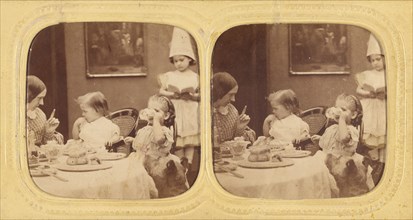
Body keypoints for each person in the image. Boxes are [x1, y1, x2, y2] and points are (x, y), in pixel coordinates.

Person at [158, 27, 200, 169]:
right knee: (178, 139)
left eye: (181, 60)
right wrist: (172, 94)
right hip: (176, 111)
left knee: (190, 140)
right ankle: (179, 165)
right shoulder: (170, 76)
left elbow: (201, 95)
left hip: (189, 112)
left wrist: (193, 95)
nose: (178, 64)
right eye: (175, 61)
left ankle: (188, 164)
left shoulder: (195, 77)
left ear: (189, 59)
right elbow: (161, 91)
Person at [355, 34, 386, 164]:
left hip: (384, 105)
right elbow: (358, 90)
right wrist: (368, 94)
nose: (375, 63)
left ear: (385, 58)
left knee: (383, 131)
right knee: (372, 132)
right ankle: (375, 160)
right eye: (372, 60)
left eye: (378, 59)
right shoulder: (368, 75)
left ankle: (384, 160)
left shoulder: (389, 74)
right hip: (371, 106)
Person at [128, 95, 176, 160]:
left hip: (155, 163)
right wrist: (133, 140)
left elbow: (159, 140)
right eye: (149, 109)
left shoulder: (163, 131)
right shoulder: (146, 129)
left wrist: (156, 120)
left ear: (166, 115)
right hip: (141, 159)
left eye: (156, 111)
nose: (151, 113)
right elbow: (146, 144)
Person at [212, 72, 256, 144]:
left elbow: (236, 142)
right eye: (231, 95)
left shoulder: (232, 110)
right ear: (220, 91)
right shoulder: (201, 111)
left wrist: (239, 129)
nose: (233, 99)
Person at [26, 75, 63, 146]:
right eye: (39, 98)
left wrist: (48, 131)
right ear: (27, 95)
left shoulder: (40, 115)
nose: (42, 103)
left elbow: (46, 147)